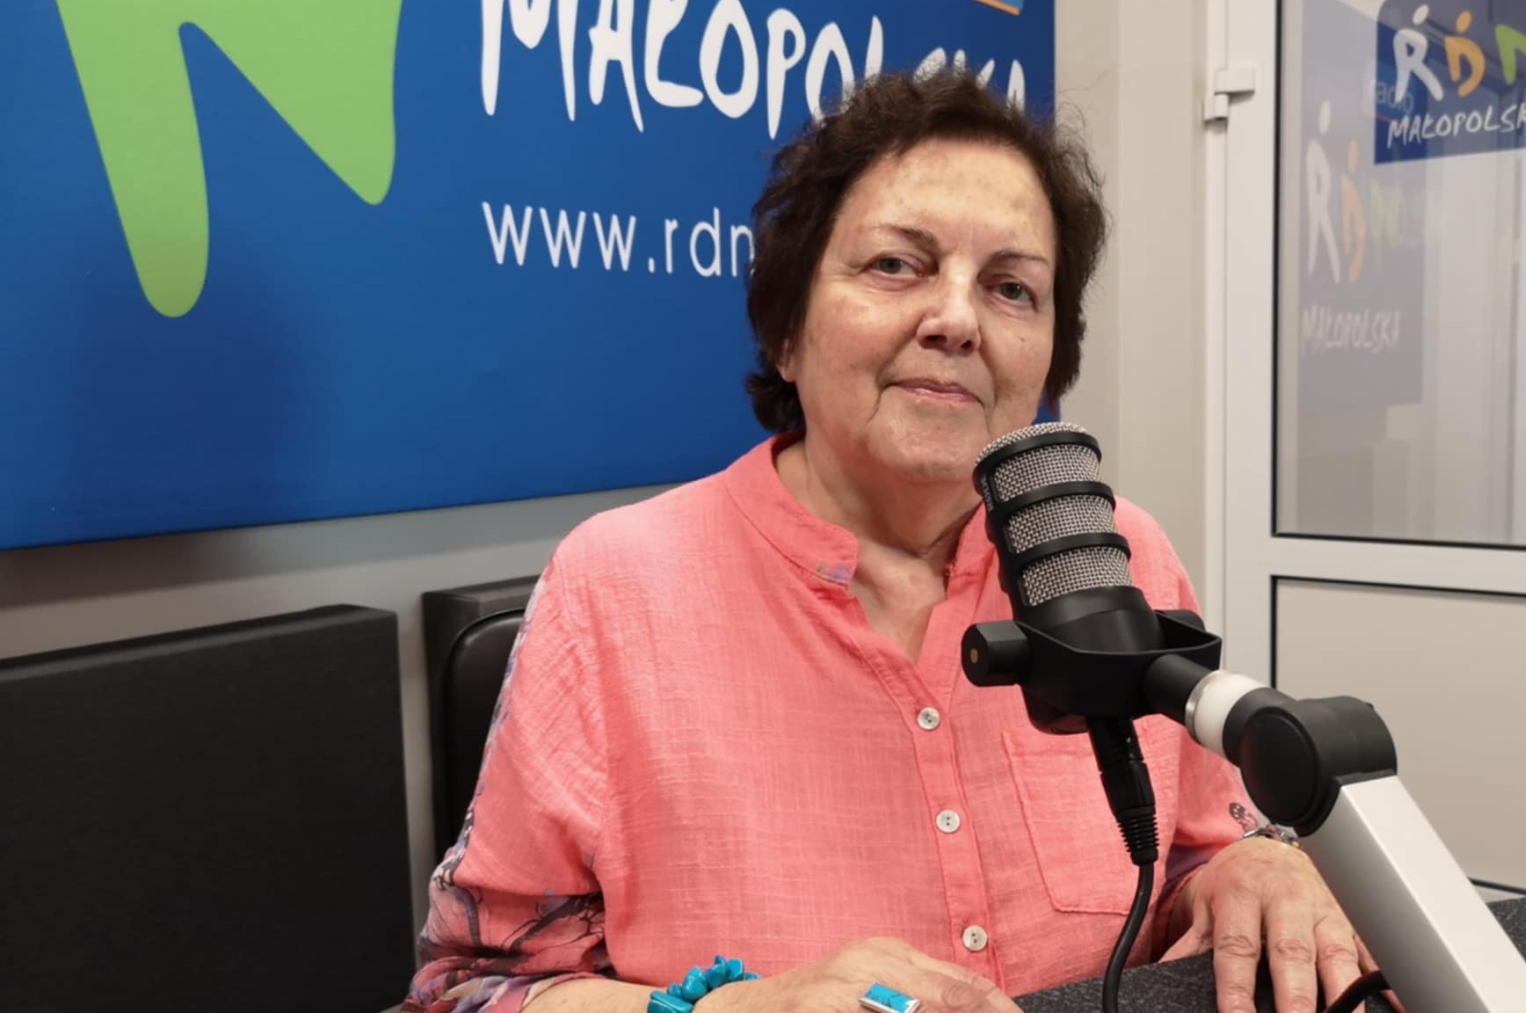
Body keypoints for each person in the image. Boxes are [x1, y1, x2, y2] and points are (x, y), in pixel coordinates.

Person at [403, 71, 1371, 1013]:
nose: (956, 320)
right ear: (787, 330)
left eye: (1011, 287)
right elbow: (467, 988)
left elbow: (1192, 856)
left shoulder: (1114, 550)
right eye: (896, 266)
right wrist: (735, 1008)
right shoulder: (617, 586)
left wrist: (1252, 868)